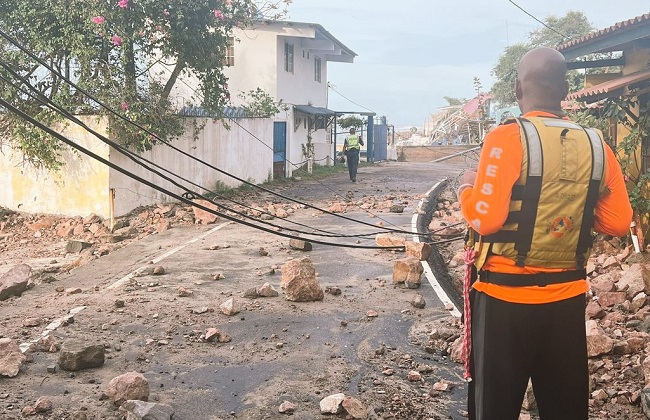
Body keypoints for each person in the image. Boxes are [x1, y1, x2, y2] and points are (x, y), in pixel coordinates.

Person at [458, 47, 633, 420]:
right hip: (566, 305)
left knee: (494, 410)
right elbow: (618, 223)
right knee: (565, 409)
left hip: (503, 303)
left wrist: (466, 190)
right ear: (565, 89)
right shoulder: (597, 144)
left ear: (519, 88)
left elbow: (485, 220)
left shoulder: (505, 137)